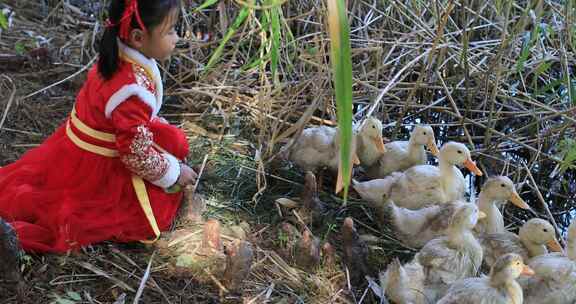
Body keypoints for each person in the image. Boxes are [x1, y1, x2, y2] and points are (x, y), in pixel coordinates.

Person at [0, 0, 198, 253]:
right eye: (170, 31)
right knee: (157, 210)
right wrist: (173, 172)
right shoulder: (131, 89)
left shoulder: (118, 57)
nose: (177, 38)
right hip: (97, 164)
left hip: (77, 143)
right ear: (138, 37)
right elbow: (134, 154)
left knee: (171, 140)